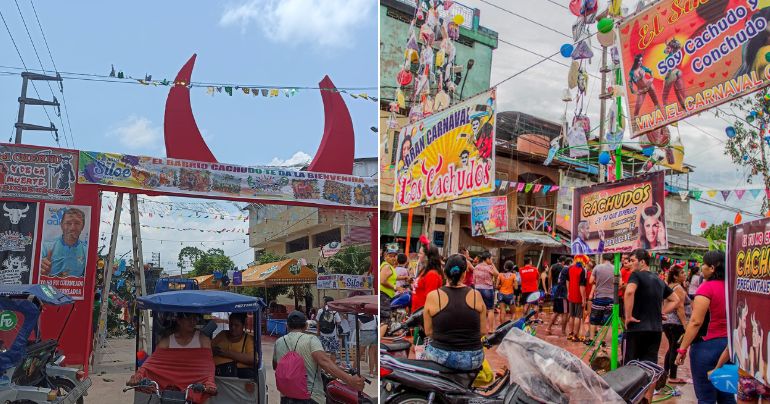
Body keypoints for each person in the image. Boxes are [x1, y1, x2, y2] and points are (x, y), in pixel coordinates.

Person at [675, 251, 736, 404]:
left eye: (704, 264)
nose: (701, 267)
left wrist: (682, 349)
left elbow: (695, 322)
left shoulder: (706, 288)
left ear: (712, 268)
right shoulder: (733, 288)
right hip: (730, 347)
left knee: (706, 398)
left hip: (706, 348)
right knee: (727, 396)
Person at [625, 249, 680, 403]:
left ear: (642, 262)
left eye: (633, 260)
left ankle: (631, 398)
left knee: (630, 365)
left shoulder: (636, 275)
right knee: (650, 366)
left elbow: (629, 293)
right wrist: (660, 312)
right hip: (655, 329)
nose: (630, 263)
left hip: (637, 328)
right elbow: (675, 300)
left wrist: (628, 316)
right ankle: (647, 399)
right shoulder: (658, 280)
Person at [273, 311, 364, 404]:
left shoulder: (279, 342)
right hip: (310, 397)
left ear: (287, 326)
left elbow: (275, 366)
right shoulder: (311, 340)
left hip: (286, 397)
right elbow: (324, 362)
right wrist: (350, 380)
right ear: (305, 326)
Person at [423, 254, 486, 371]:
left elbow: (429, 332)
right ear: (464, 274)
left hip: (441, 356)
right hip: (473, 358)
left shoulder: (433, 296)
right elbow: (483, 331)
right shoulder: (475, 295)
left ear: (444, 273)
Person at [662, 264, 690, 385]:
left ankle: (665, 373)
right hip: (676, 323)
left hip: (667, 322)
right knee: (675, 348)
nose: (685, 274)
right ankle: (672, 376)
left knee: (671, 348)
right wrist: (685, 325)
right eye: (682, 273)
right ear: (675, 276)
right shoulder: (678, 288)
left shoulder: (669, 286)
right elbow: (680, 307)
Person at [40, 207, 88, 277]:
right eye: (68, 223)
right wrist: (40, 268)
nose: (72, 228)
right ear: (62, 225)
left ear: (83, 226)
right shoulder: (46, 247)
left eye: (77, 223)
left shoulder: (87, 251)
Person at [212, 312, 256, 379]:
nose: (233, 327)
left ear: (243, 326)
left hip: (239, 376)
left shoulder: (248, 339)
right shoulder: (222, 334)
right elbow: (208, 349)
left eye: (236, 325)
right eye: (231, 324)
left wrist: (225, 353)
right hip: (216, 373)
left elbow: (252, 359)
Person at [587, 255, 615, 343]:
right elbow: (620, 283)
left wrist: (599, 282)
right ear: (612, 259)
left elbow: (590, 281)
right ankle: (602, 341)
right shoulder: (616, 268)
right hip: (611, 298)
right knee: (606, 321)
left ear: (603, 258)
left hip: (599, 297)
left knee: (594, 319)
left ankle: (591, 339)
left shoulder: (597, 267)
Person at [412, 243, 444, 313]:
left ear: (427, 256)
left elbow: (430, 299)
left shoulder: (432, 274)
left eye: (420, 253)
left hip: (423, 315)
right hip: (416, 313)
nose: (418, 255)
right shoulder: (425, 270)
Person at [474, 251, 499, 333]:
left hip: (477, 289)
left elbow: (474, 280)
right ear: (487, 259)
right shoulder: (489, 267)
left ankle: (480, 328)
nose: (492, 260)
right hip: (487, 289)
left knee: (480, 310)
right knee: (490, 309)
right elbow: (497, 274)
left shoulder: (476, 267)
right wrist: (492, 265)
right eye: (491, 259)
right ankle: (491, 329)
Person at [565, 256, 588, 342]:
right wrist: (583, 298)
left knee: (572, 315)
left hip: (571, 295)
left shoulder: (570, 268)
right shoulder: (583, 270)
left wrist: (568, 292)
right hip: (578, 296)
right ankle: (575, 335)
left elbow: (567, 281)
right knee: (578, 316)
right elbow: (581, 286)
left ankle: (570, 334)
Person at [546, 256, 570, 336]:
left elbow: (549, 277)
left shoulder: (552, 266)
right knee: (565, 312)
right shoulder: (566, 269)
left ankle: (548, 328)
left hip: (555, 288)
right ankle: (563, 332)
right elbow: (567, 281)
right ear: (563, 262)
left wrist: (549, 287)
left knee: (556, 311)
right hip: (562, 291)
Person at [379, 244, 398, 338]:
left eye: (394, 256)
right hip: (384, 296)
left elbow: (392, 277)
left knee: (386, 320)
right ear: (385, 256)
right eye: (390, 256)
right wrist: (395, 287)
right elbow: (382, 280)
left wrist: (405, 277)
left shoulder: (389, 266)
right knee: (385, 321)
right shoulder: (387, 266)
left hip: (385, 296)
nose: (393, 258)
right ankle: (380, 344)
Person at [316, 296, 342, 362]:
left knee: (322, 352)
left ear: (325, 303)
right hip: (332, 335)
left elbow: (317, 321)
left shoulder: (320, 311)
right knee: (333, 352)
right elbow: (339, 322)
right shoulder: (334, 311)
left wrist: (318, 331)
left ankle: (323, 368)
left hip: (322, 334)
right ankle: (332, 367)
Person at [358, 314, 378, 378]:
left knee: (359, 354)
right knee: (371, 354)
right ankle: (371, 372)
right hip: (374, 334)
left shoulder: (359, 316)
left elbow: (358, 326)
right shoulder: (375, 315)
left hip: (364, 334)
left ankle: (353, 369)